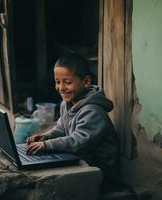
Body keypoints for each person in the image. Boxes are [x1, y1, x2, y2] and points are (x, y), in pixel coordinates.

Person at [26, 53, 120, 184]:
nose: (61, 88)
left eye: (68, 82)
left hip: (101, 169)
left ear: (86, 82)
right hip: (81, 156)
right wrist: (46, 137)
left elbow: (78, 142)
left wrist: (48, 145)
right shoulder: (67, 104)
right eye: (57, 82)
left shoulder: (93, 111)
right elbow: (61, 129)